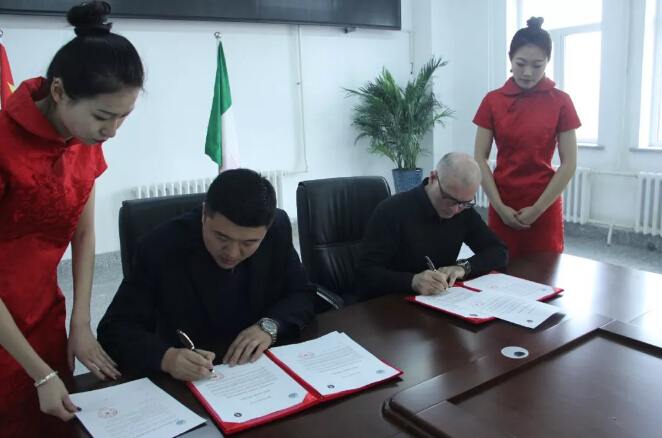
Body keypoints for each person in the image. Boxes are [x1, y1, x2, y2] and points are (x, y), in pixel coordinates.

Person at [0, 1, 145, 436]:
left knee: (56, 422)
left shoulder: (84, 140)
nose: (112, 131)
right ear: (60, 92)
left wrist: (79, 322)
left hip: (44, 312)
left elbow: (83, 233)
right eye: (103, 116)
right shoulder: (4, 146)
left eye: (123, 117)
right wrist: (39, 373)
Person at [97, 169, 317, 381]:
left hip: (257, 370)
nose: (232, 253)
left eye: (248, 243)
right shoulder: (159, 247)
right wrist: (166, 358)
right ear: (204, 214)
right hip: (190, 377)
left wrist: (269, 326)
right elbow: (114, 329)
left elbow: (301, 292)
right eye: (222, 237)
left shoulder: (277, 229)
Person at [473, 17, 581, 258]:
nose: (528, 72)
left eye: (537, 65)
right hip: (502, 202)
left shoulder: (561, 101)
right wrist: (499, 207)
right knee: (500, 267)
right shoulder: (493, 101)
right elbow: (479, 157)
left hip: (544, 204)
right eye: (520, 63)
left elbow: (569, 163)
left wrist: (538, 209)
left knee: (546, 270)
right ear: (510, 58)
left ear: (547, 62)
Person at [355, 153, 509, 301]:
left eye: (464, 203)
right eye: (449, 199)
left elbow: (499, 251)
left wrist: (463, 268)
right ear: (433, 178)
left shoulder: (463, 212)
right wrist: (412, 281)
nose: (455, 210)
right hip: (390, 305)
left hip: (439, 302)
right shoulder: (392, 211)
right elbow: (365, 274)